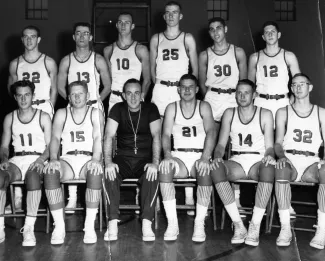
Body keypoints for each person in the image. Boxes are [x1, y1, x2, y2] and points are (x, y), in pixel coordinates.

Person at [210, 79, 275, 246]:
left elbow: (269, 147)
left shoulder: (265, 113)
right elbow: (220, 145)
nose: (242, 95)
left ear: (254, 95)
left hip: (258, 160)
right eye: (239, 92)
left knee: (268, 169)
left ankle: (254, 225)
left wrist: (269, 155)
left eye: (246, 92)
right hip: (237, 160)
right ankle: (238, 224)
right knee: (216, 168)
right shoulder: (229, 113)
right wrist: (217, 156)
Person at [150, 0, 198, 213]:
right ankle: (161, 190)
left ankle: (188, 195)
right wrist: (161, 84)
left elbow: (194, 69)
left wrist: (187, 91)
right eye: (167, 13)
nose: (171, 16)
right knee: (159, 136)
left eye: (174, 12)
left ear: (181, 16)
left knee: (183, 137)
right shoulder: (156, 39)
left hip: (182, 89)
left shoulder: (187, 38)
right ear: (164, 16)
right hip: (161, 90)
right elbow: (151, 69)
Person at [43, 81, 104, 245]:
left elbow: (99, 138)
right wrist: (54, 158)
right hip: (68, 159)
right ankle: (60, 226)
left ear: (88, 96)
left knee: (95, 171)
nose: (77, 97)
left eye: (81, 93)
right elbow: (55, 138)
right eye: (73, 94)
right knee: (50, 172)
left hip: (88, 158)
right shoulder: (62, 113)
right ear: (68, 97)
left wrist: (96, 159)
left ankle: (89, 226)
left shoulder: (95, 112)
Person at [57, 22, 110, 210]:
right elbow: (60, 87)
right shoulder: (66, 60)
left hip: (93, 106)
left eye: (85, 33)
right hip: (74, 108)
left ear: (90, 37)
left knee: (97, 147)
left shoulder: (98, 59)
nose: (81, 37)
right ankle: (72, 197)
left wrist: (93, 102)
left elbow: (108, 86)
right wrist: (74, 102)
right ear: (74, 37)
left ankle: (98, 193)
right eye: (78, 33)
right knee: (71, 147)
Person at [159, 74, 216, 242]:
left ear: (197, 89)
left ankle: (199, 223)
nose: (187, 90)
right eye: (183, 87)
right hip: (179, 156)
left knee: (205, 172)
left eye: (191, 87)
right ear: (178, 89)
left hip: (199, 155)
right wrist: (167, 155)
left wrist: (205, 157)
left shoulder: (204, 106)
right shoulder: (172, 107)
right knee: (164, 168)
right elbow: (165, 134)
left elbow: (211, 131)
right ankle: (172, 223)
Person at [198, 17, 247, 212]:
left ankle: (236, 197)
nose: (216, 32)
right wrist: (210, 97)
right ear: (209, 33)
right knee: (209, 145)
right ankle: (205, 196)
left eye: (219, 28)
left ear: (225, 29)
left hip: (232, 97)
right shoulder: (205, 55)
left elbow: (244, 81)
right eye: (212, 29)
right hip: (212, 97)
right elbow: (202, 83)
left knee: (235, 146)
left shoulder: (238, 52)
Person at [103, 78, 161, 242]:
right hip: (123, 158)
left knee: (153, 173)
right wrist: (108, 162)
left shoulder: (150, 108)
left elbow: (157, 136)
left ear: (142, 95)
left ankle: (146, 223)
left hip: (145, 158)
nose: (133, 97)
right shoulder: (117, 108)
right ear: (123, 95)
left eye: (137, 93)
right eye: (129, 93)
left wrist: (155, 162)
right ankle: (112, 222)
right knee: (109, 173)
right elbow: (108, 136)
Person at [274, 73, 325, 249]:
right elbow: (278, 143)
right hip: (290, 159)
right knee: (280, 169)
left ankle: (322, 230)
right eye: (294, 85)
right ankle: (285, 227)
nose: (298, 87)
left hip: (311, 161)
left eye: (301, 84)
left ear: (310, 87)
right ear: (291, 88)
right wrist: (281, 157)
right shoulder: (283, 112)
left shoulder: (321, 113)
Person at [0, 80, 51, 246]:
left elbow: (52, 146)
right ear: (15, 97)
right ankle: (0, 227)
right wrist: (4, 159)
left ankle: (28, 228)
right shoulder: (10, 118)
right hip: (17, 159)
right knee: (0, 177)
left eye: (27, 95)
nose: (23, 99)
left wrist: (41, 160)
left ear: (33, 96)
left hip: (37, 159)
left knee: (33, 178)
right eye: (20, 96)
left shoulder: (43, 116)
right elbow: (4, 146)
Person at [248, 21, 300, 118]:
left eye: (273, 31)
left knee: (282, 132)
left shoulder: (288, 56)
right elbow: (249, 84)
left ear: (279, 35)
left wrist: (294, 97)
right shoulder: (255, 57)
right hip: (261, 101)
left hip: (282, 101)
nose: (270, 34)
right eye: (267, 32)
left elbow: (299, 81)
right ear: (263, 37)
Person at [103, 12, 150, 113]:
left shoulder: (141, 49)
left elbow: (147, 79)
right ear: (116, 25)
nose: (123, 25)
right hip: (115, 98)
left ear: (132, 26)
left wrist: (140, 99)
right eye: (120, 22)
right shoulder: (108, 50)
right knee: (112, 129)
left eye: (127, 23)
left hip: (134, 98)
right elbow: (108, 80)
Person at [8, 25, 58, 119]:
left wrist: (51, 107)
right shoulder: (15, 64)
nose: (29, 40)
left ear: (38, 39)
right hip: (24, 108)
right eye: (26, 37)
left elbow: (54, 89)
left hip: (44, 107)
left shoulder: (49, 62)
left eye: (33, 37)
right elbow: (12, 90)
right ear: (22, 39)